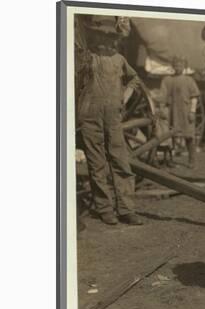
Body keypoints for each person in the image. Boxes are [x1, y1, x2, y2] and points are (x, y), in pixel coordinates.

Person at [77, 15, 142, 226]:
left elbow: (134, 79)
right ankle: (105, 210)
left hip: (113, 116)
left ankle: (126, 209)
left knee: (120, 161)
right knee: (97, 165)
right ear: (95, 37)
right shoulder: (86, 58)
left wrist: (124, 97)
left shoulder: (119, 60)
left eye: (109, 37)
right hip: (90, 114)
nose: (105, 41)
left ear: (115, 39)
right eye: (101, 36)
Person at [160, 57, 200, 168]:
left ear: (184, 67)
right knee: (171, 136)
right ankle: (170, 159)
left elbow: (194, 97)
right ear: (173, 66)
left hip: (186, 113)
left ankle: (192, 161)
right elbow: (162, 97)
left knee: (189, 136)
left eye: (181, 65)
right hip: (173, 112)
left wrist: (192, 111)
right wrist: (162, 109)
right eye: (176, 65)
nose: (178, 67)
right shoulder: (167, 80)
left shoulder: (189, 80)